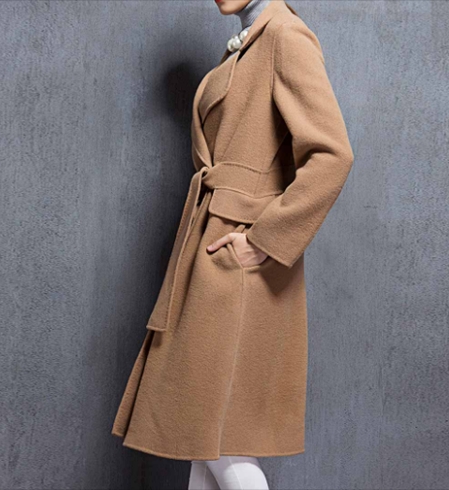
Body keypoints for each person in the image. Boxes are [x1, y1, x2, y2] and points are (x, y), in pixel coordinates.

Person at [111, 0, 354, 489]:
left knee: (222, 442)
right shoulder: (248, 44)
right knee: (202, 435)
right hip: (211, 246)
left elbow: (332, 155)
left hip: (238, 264)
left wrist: (262, 241)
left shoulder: (285, 36)